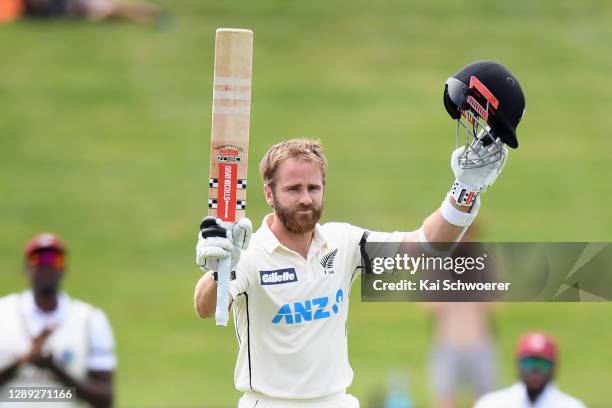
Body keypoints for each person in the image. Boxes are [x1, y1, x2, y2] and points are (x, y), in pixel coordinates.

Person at [194, 61, 526, 407]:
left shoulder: (343, 244)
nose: (305, 198)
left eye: (313, 187)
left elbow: (426, 246)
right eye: (293, 189)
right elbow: (205, 307)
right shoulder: (250, 254)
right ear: (269, 194)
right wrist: (222, 268)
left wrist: (465, 191)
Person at [0, 233, 116, 408]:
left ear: (64, 268)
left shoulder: (89, 320)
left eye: (55, 259)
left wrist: (55, 369)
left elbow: (104, 398)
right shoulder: (3, 313)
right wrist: (21, 361)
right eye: (38, 258)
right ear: (26, 267)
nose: (46, 264)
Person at [474, 332, 586, 408]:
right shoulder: (491, 404)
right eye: (529, 363)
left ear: (553, 367)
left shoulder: (572, 406)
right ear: (518, 364)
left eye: (542, 364)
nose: (535, 371)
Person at [2, 0, 164, 24]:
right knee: (112, 12)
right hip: (74, 8)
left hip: (76, 5)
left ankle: (157, 15)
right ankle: (156, 16)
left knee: (114, 10)